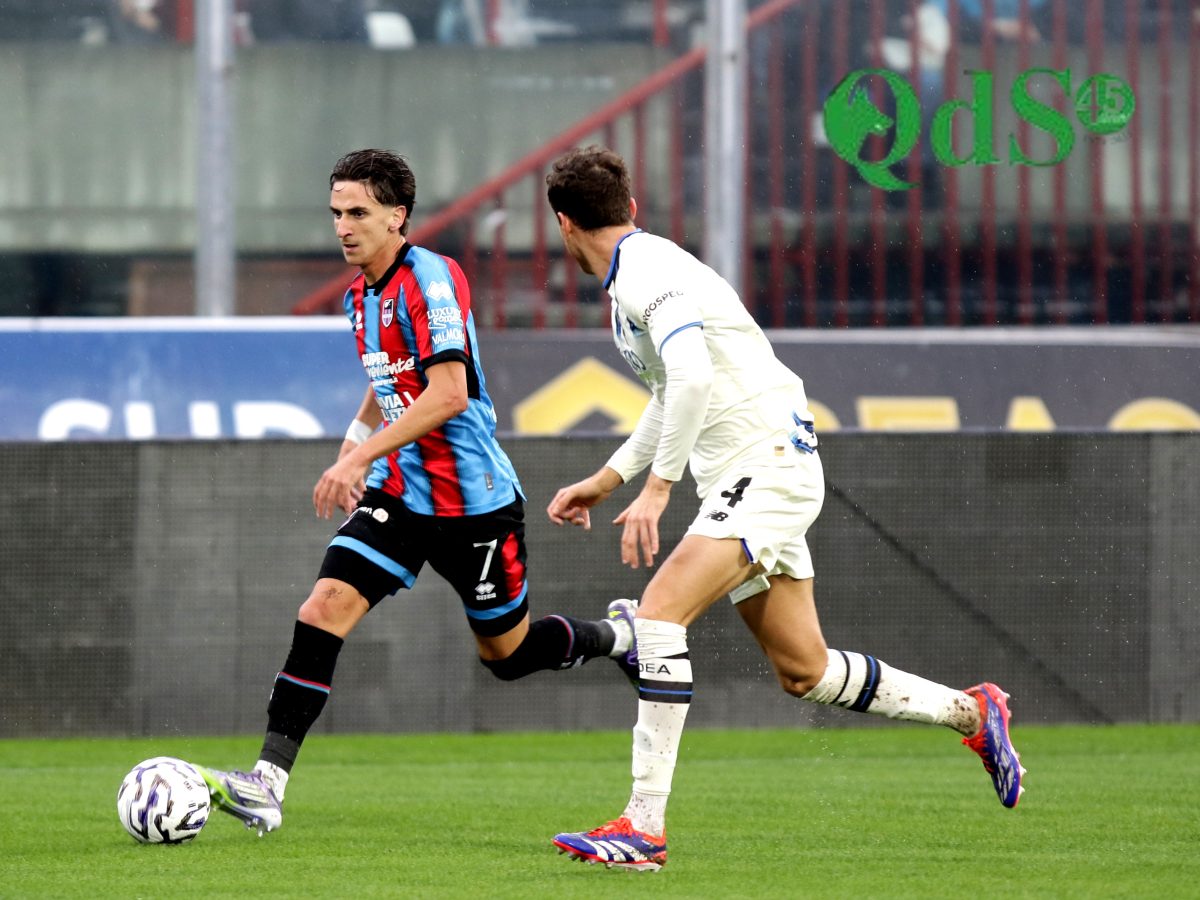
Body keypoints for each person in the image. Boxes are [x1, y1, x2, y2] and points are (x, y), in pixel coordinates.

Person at [542, 146, 1025, 871]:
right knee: (806, 671)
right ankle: (973, 712)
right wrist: (611, 478)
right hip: (756, 474)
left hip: (764, 467)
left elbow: (695, 377)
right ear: (630, 208)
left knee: (658, 617)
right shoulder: (638, 275)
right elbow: (676, 391)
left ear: (562, 223)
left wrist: (658, 489)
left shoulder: (649, 274)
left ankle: (643, 827)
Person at [195, 149, 636, 834]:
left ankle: (617, 636)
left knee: (509, 658)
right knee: (322, 609)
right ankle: (267, 783)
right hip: (400, 494)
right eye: (337, 212)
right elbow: (391, 372)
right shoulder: (358, 295)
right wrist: (355, 437)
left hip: (475, 506)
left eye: (359, 213)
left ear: (397, 215)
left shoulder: (430, 277)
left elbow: (450, 393)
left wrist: (356, 458)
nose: (344, 226)